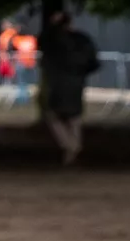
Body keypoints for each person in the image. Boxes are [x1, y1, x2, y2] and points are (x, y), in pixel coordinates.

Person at [38, 10, 102, 166]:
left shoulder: (53, 40)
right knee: (74, 116)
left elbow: (42, 43)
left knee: (53, 114)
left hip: (57, 82)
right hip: (76, 82)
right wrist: (81, 72)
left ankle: (69, 144)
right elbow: (93, 62)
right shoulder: (82, 40)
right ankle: (74, 144)